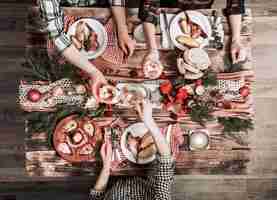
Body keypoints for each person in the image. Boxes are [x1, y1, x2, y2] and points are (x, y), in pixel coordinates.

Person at [38, 0, 136, 95]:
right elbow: (57, 35)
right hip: (63, 11)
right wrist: (94, 72)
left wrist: (122, 31)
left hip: (102, 7)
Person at [89, 100, 175, 200]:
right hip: (146, 177)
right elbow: (166, 159)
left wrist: (106, 166)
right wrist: (149, 121)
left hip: (114, 180)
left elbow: (96, 196)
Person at [139, 0, 246, 66]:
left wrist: (236, 40)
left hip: (203, 13)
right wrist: (152, 50)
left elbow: (235, 5)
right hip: (166, 13)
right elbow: (148, 9)